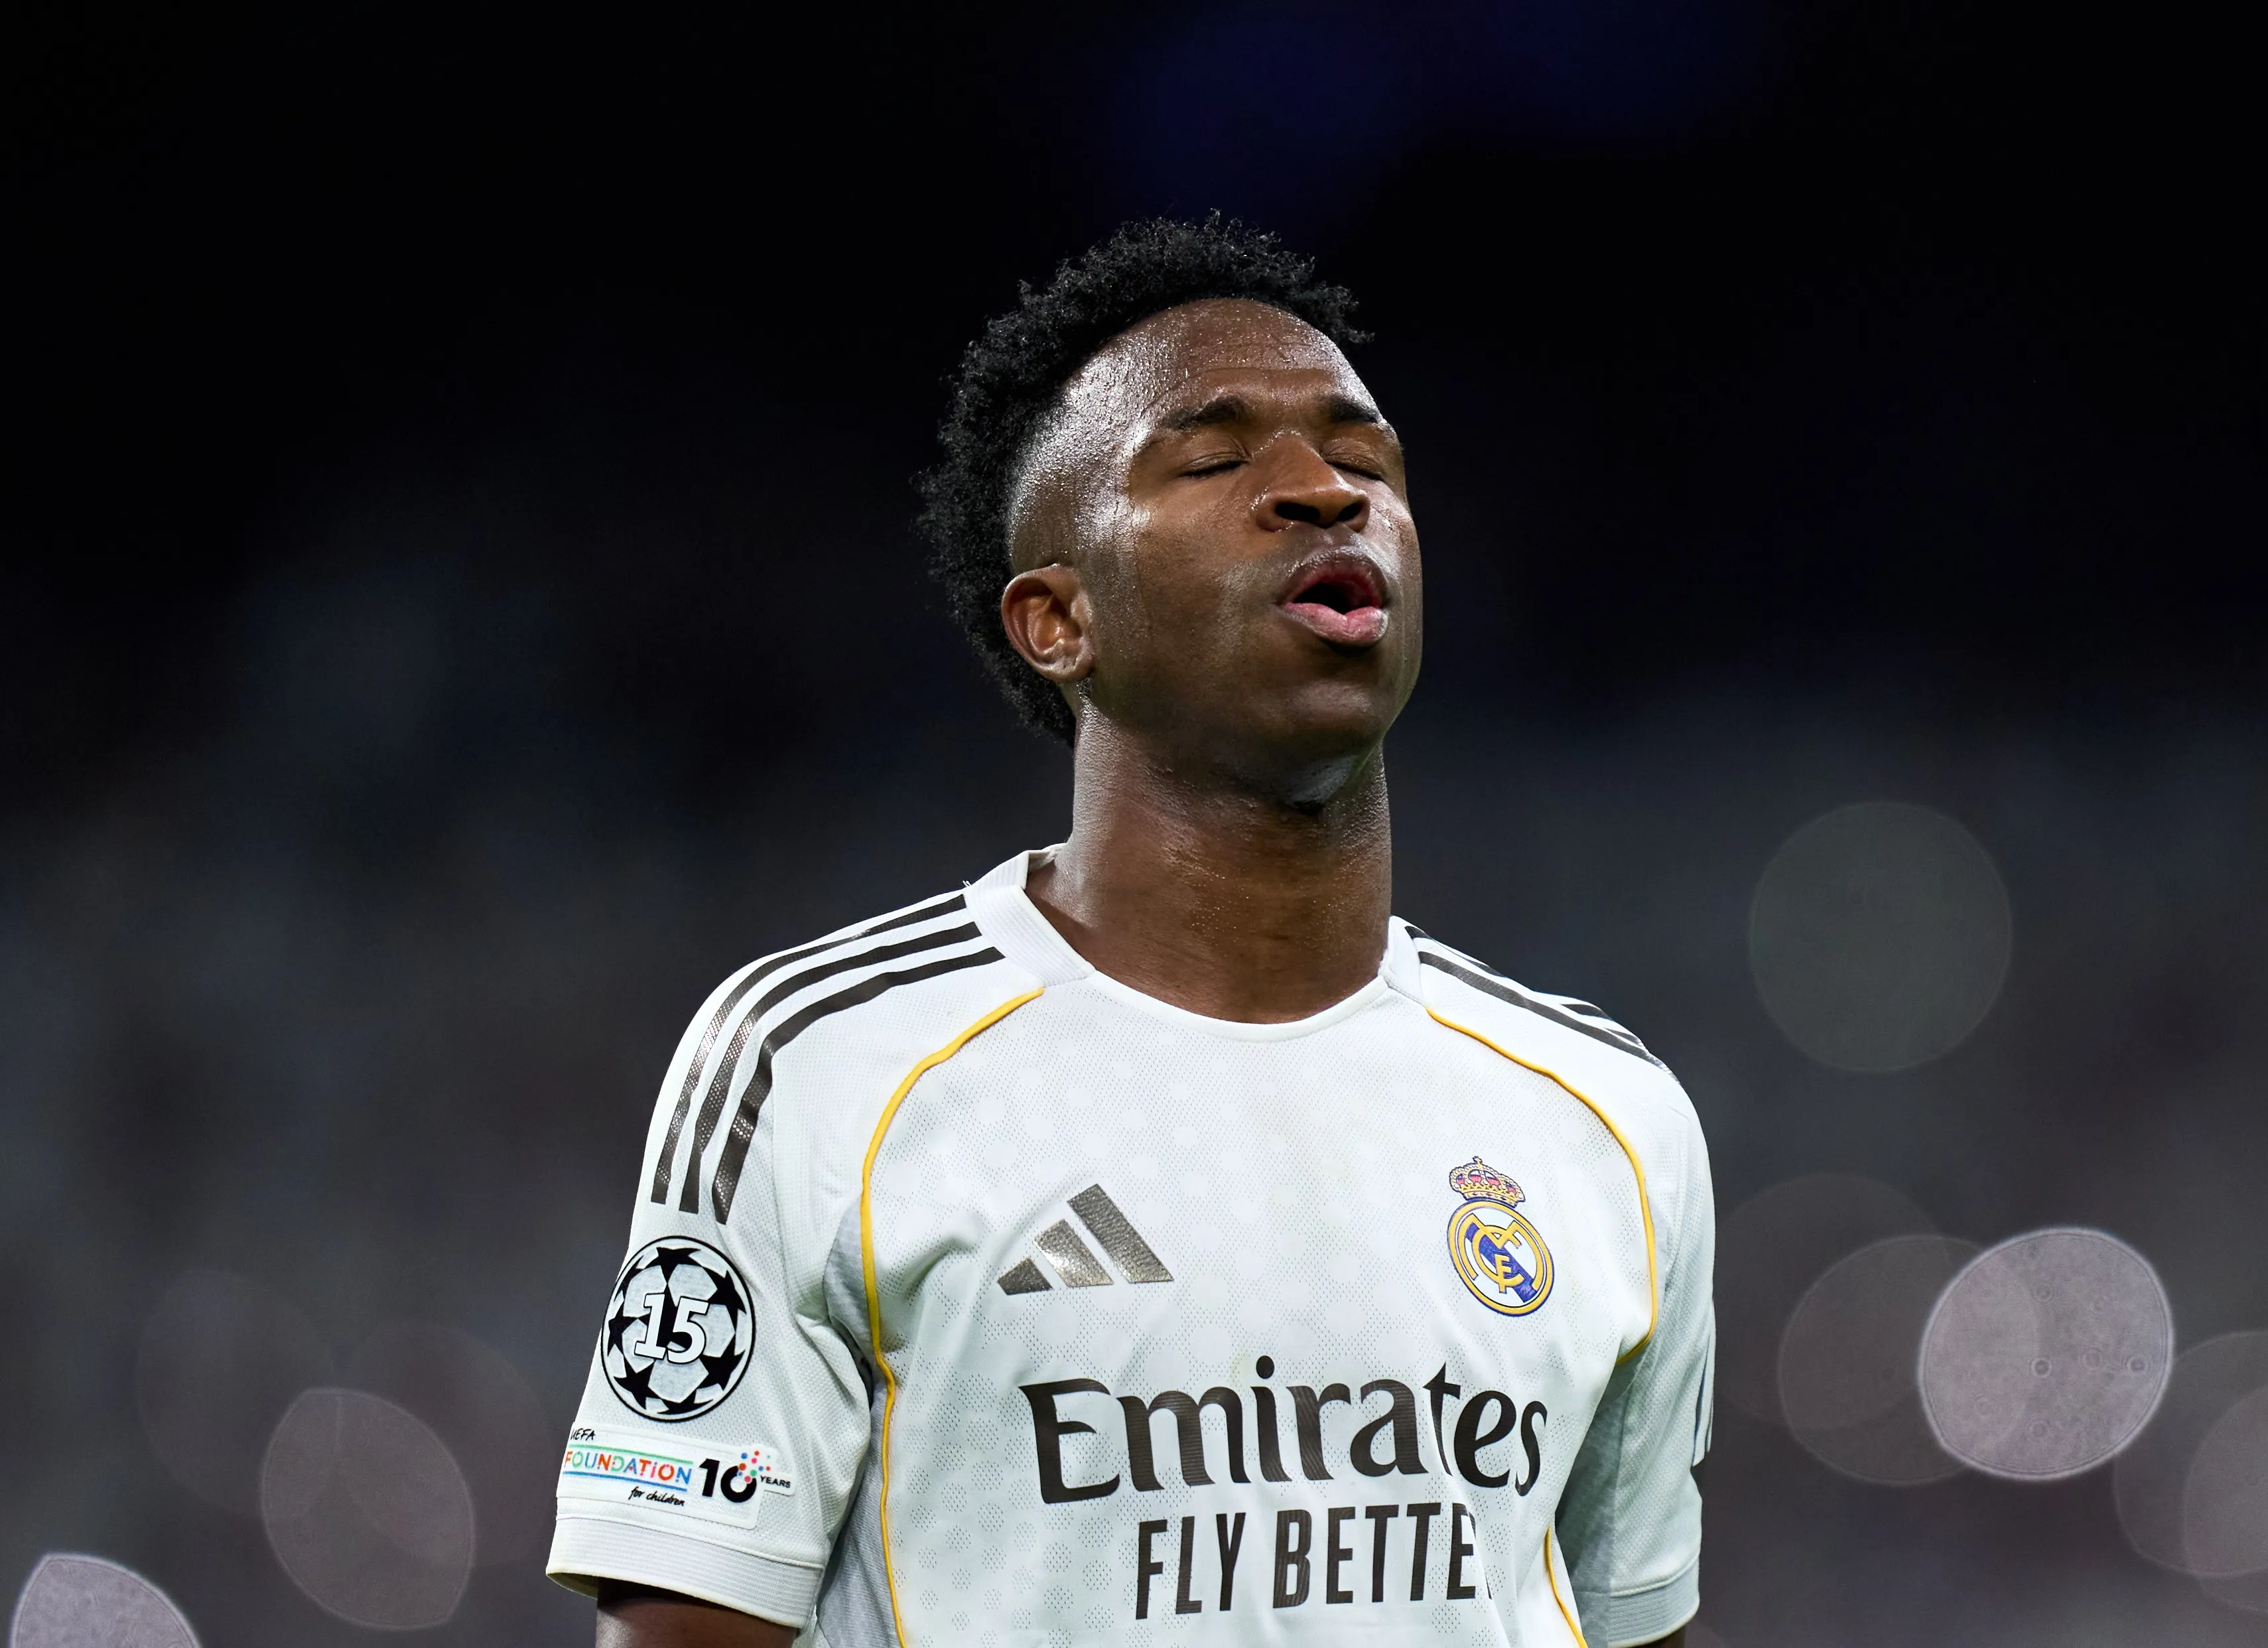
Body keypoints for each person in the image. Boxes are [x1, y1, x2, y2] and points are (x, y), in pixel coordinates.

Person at [548, 218, 1713, 1648]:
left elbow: (1634, 1621)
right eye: (1216, 459)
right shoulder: (818, 1064)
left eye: (1365, 460)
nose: (1316, 491)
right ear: (1056, 620)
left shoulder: (1601, 1111)